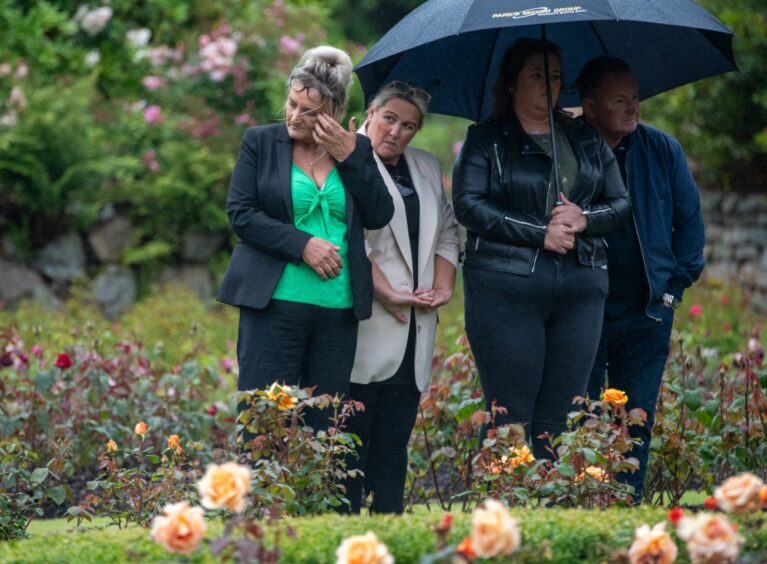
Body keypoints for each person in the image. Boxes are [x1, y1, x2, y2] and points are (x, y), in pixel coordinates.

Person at [452, 38, 631, 460]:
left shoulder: (584, 137)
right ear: (511, 83)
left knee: (563, 415)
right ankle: (502, 515)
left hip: (581, 285)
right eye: (536, 75)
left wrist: (584, 218)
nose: (549, 83)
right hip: (506, 287)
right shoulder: (486, 140)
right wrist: (540, 232)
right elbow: (469, 206)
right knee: (510, 417)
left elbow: (621, 203)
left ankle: (549, 514)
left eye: (554, 75)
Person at [216, 46, 394, 433]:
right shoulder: (260, 142)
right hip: (273, 305)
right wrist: (302, 244)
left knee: (324, 428)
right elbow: (241, 214)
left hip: (338, 310)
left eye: (309, 111)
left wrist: (351, 157)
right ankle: (260, 497)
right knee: (264, 425)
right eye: (292, 103)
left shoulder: (355, 149)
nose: (295, 116)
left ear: (333, 113)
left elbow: (380, 214)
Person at [579, 57, 706, 503]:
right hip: (582, 312)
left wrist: (673, 291)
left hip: (647, 312)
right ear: (590, 107)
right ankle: (585, 510)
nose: (633, 107)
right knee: (584, 419)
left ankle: (625, 509)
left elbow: (690, 226)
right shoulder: (569, 150)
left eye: (636, 97)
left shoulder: (662, 149)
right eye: (620, 100)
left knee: (635, 420)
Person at [343, 81, 460, 514]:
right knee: (353, 439)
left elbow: (447, 232)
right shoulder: (349, 160)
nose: (396, 131)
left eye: (409, 125)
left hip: (416, 323)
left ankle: (388, 528)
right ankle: (347, 532)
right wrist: (387, 292)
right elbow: (350, 237)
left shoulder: (426, 166)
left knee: (395, 442)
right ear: (370, 114)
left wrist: (444, 286)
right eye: (389, 118)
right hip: (367, 318)